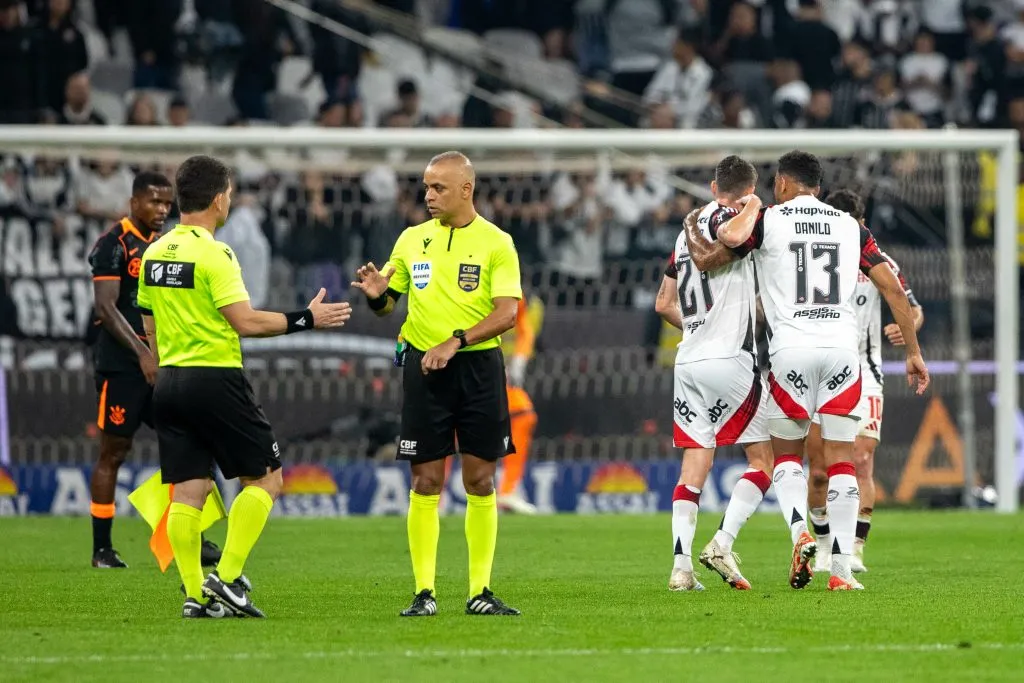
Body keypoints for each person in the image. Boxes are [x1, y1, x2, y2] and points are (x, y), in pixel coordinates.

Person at [137, 155, 351, 618]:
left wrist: (164, 359)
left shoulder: (154, 253)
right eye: (229, 194)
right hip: (214, 378)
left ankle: (196, 596)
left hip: (169, 381)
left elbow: (148, 323)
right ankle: (229, 579)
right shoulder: (216, 253)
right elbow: (246, 322)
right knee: (267, 479)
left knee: (188, 492)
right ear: (218, 199)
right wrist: (306, 319)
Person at [711, 150, 929, 591]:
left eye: (775, 184)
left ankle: (801, 534)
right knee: (842, 459)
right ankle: (843, 571)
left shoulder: (770, 219)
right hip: (842, 354)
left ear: (785, 184)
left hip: (791, 350)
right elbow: (890, 286)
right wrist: (914, 352)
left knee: (788, 457)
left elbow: (730, 242)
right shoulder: (851, 227)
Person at [351, 151, 522, 617]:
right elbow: (389, 304)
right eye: (426, 187)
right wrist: (377, 296)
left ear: (466, 190)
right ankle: (424, 593)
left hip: (478, 368)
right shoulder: (411, 239)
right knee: (426, 480)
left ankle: (479, 591)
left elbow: (508, 312)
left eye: (438, 188)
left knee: (480, 478)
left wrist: (456, 341)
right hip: (425, 369)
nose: (428, 195)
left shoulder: (496, 243)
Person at [653, 156, 774, 592]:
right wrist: (754, 205)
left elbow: (663, 303)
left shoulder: (684, 233)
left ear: (711, 184)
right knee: (763, 461)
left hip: (689, 360)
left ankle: (680, 568)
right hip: (731, 358)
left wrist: (701, 327)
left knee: (694, 465)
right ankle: (722, 542)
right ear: (749, 188)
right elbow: (734, 236)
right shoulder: (741, 214)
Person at [806, 190, 924, 575]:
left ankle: (855, 546)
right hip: (817, 369)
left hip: (865, 372)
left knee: (861, 459)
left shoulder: (877, 258)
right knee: (820, 469)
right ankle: (823, 544)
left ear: (860, 223)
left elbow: (912, 306)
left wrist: (905, 333)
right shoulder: (809, 255)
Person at [88, 171, 180, 568]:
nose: (162, 209)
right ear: (134, 202)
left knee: (185, 441)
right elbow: (106, 308)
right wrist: (144, 354)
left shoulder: (167, 245)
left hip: (160, 364)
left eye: (166, 203)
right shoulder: (114, 244)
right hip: (123, 368)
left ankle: (185, 535)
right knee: (114, 452)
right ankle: (102, 549)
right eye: (154, 202)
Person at [497, 295, 540, 514]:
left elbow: (524, 327)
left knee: (523, 417)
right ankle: (433, 496)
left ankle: (508, 491)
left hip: (494, 371)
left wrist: (520, 360)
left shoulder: (510, 290)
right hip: (458, 364)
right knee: (451, 427)